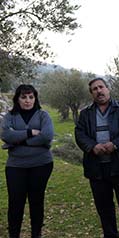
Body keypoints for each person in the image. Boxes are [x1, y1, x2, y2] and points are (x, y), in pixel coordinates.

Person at [75, 77, 119, 238]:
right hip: (96, 170)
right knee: (104, 210)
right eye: (94, 89)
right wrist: (92, 147)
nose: (98, 91)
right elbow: (79, 134)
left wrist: (115, 144)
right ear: (91, 94)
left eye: (101, 87)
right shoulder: (85, 113)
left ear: (108, 89)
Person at [1, 84, 54, 238]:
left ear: (35, 98)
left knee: (36, 201)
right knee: (15, 202)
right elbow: (6, 135)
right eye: (23, 97)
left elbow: (47, 136)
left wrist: (19, 141)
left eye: (31, 97)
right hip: (16, 166)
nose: (27, 100)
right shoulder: (9, 117)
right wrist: (30, 132)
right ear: (17, 99)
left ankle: (36, 234)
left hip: (41, 164)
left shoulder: (43, 115)